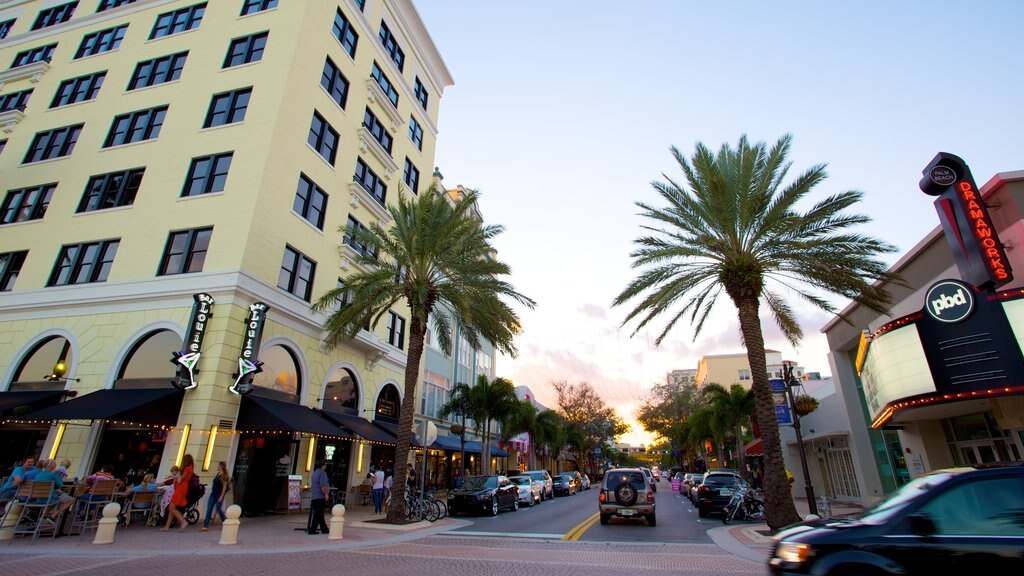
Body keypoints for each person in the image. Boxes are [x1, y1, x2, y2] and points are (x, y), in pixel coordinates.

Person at [162, 454, 193, 531]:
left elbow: (181, 478)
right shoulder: (190, 468)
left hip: (181, 488)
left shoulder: (187, 469)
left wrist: (175, 478)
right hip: (183, 487)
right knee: (172, 508)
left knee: (171, 507)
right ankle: (167, 526)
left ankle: (183, 521)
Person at [201, 461, 229, 531]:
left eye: (218, 466)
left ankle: (224, 521)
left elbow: (224, 487)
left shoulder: (224, 476)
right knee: (209, 509)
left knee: (218, 509)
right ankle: (206, 525)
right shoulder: (217, 474)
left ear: (221, 467)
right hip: (213, 494)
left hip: (219, 495)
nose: (217, 467)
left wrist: (221, 496)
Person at [306, 460, 330, 534]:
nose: (326, 466)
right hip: (320, 496)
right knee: (317, 513)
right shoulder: (322, 473)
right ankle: (313, 529)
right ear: (322, 465)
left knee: (319, 513)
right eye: (325, 465)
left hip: (315, 495)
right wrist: (326, 494)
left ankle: (324, 528)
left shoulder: (315, 473)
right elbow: (323, 485)